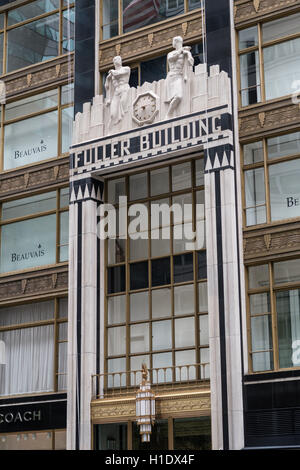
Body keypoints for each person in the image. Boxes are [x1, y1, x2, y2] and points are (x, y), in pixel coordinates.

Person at [165, 36, 194, 119]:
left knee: (178, 96)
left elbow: (190, 63)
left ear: (176, 42)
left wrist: (188, 54)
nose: (172, 43)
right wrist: (180, 51)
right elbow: (171, 59)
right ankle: (169, 114)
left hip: (179, 76)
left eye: (173, 41)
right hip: (172, 76)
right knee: (175, 97)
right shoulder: (170, 53)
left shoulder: (185, 53)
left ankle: (169, 114)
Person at [105, 56, 131, 128]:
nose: (119, 60)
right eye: (117, 59)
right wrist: (108, 98)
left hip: (124, 89)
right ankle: (110, 131)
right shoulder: (111, 75)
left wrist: (112, 73)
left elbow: (118, 73)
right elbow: (108, 87)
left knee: (123, 105)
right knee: (112, 114)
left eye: (120, 59)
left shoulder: (126, 69)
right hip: (116, 92)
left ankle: (123, 126)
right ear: (114, 62)